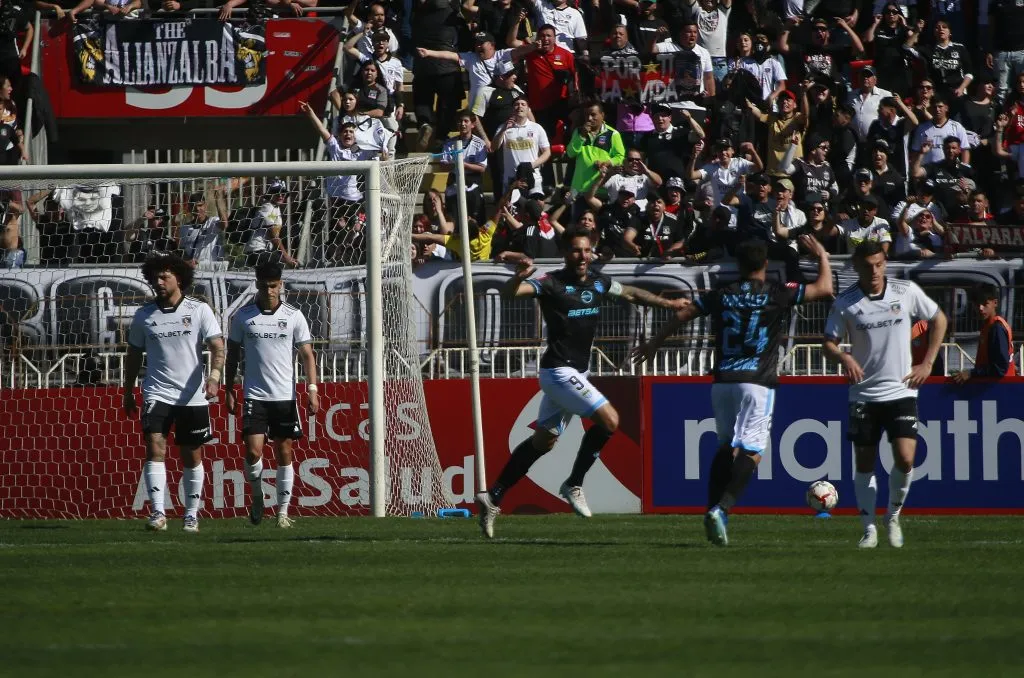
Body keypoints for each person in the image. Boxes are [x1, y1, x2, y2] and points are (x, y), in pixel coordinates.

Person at [474, 226, 686, 538]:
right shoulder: (551, 282)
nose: (583, 256)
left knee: (543, 442)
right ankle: (574, 483)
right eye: (576, 250)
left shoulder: (599, 282)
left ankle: (492, 497)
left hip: (576, 372)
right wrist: (519, 276)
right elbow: (509, 294)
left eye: (587, 250)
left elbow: (630, 292)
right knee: (610, 420)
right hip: (559, 372)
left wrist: (669, 305)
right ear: (565, 253)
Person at [632, 237, 833, 545]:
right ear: (766, 264)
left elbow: (683, 315)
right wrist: (821, 255)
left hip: (723, 381)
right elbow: (825, 288)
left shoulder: (721, 294)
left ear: (738, 266)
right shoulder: (778, 293)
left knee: (726, 447)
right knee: (753, 451)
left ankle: (713, 509)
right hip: (757, 382)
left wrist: (655, 342)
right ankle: (722, 509)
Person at [822, 241, 948, 549]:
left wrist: (928, 361)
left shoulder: (906, 291)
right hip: (864, 394)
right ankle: (868, 528)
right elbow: (829, 342)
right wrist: (845, 358)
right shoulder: (846, 302)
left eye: (879, 264)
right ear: (857, 265)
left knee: (905, 459)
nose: (875, 271)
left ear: (885, 262)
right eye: (868, 265)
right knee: (864, 462)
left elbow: (939, 319)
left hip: (901, 391)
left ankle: (892, 517)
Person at [124, 254, 226, 533]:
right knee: (155, 446)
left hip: (192, 396)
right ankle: (158, 512)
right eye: (155, 277)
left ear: (178, 278)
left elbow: (218, 346)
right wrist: (128, 391)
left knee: (192, 456)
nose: (158, 282)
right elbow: (133, 354)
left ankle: (191, 514)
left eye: (164, 276)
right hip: (157, 392)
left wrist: (214, 378)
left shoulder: (199, 310)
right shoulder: (144, 315)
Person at [225, 262, 320, 528]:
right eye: (265, 285)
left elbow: (307, 355)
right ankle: (257, 497)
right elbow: (232, 355)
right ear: (257, 285)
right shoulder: (243, 317)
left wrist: (312, 390)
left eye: (274, 286)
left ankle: (282, 512)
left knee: (284, 450)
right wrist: (229, 389)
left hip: (284, 397)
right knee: (253, 452)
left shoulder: (294, 316)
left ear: (281, 286)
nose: (269, 291)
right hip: (255, 396)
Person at [952, 284, 1017, 383]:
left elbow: (1000, 369)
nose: (980, 308)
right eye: (977, 304)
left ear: (995, 303)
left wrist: (971, 373)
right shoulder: (989, 326)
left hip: (1000, 389)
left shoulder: (997, 328)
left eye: (985, 304)